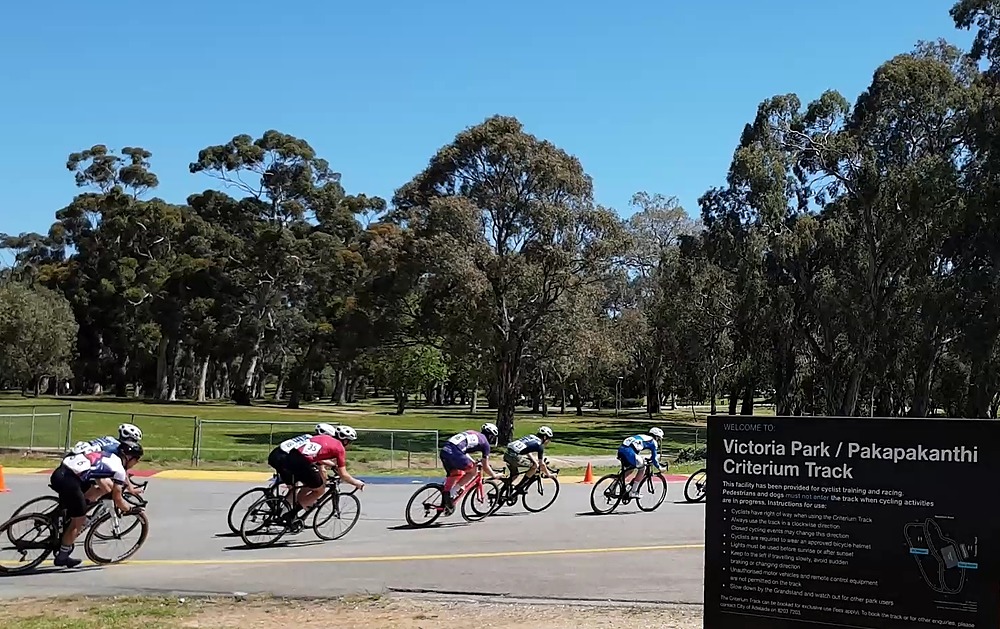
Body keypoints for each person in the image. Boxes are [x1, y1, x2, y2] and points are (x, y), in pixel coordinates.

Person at [49, 439, 145, 568]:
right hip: (69, 481)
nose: (137, 463)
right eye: (136, 459)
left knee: (88, 493)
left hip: (60, 472)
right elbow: (118, 499)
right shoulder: (119, 470)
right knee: (79, 521)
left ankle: (60, 519)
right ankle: (62, 556)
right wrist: (129, 509)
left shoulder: (111, 456)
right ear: (128, 458)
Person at [282, 424, 365, 526]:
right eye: (350, 442)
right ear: (345, 441)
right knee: (320, 489)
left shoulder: (325, 438)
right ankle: (291, 514)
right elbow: (343, 474)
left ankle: (290, 510)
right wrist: (357, 483)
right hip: (303, 463)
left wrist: (331, 466)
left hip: (289, 457)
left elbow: (317, 457)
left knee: (308, 484)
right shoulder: (339, 448)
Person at [439, 423, 501, 514]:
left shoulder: (473, 433)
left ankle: (446, 496)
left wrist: (472, 461)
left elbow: (463, 450)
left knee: (456, 473)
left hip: (445, 450)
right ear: (491, 436)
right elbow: (486, 467)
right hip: (455, 453)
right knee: (473, 471)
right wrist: (494, 475)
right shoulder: (485, 444)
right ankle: (451, 493)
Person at [69, 423, 145, 497]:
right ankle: (83, 504)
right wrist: (131, 489)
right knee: (109, 489)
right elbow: (121, 471)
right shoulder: (116, 449)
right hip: (81, 464)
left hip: (75, 458)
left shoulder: (110, 439)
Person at [267, 423, 336, 490]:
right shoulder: (315, 443)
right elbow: (318, 459)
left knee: (295, 477)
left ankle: (275, 486)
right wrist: (334, 465)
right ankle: (289, 499)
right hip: (284, 458)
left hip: (275, 454)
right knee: (296, 485)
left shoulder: (307, 436)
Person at [503, 426, 555, 493]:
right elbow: (542, 464)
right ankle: (520, 487)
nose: (549, 441)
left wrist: (534, 461)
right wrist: (549, 474)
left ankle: (500, 493)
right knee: (535, 466)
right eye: (549, 439)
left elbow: (526, 450)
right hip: (515, 458)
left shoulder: (531, 437)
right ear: (545, 437)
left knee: (515, 474)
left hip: (507, 454)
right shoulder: (540, 446)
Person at [617, 427, 664, 497]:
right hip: (629, 452)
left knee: (630, 469)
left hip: (622, 449)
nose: (658, 440)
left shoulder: (643, 436)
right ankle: (633, 492)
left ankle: (613, 486)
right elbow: (654, 459)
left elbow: (635, 447)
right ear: (656, 437)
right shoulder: (653, 441)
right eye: (658, 438)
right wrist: (659, 468)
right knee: (642, 468)